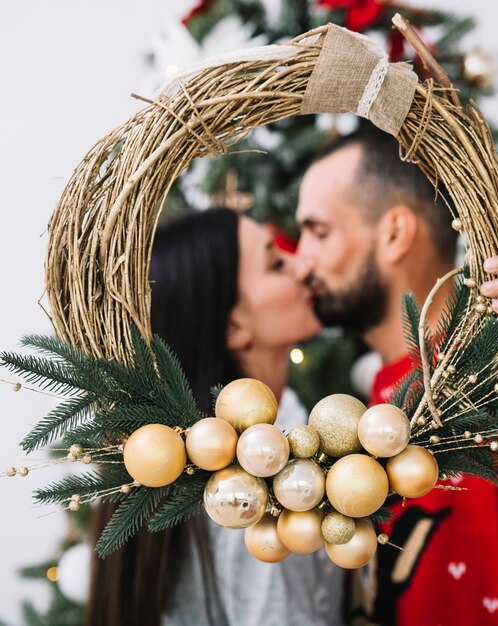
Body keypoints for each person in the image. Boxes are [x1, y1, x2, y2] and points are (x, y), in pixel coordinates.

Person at [296, 127, 498, 626]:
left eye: (317, 231)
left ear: (394, 233)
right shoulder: (380, 395)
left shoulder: (488, 376)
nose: (301, 256)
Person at [86, 208, 345, 626]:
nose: (304, 263)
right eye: (276, 263)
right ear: (234, 325)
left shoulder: (278, 433)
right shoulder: (247, 491)